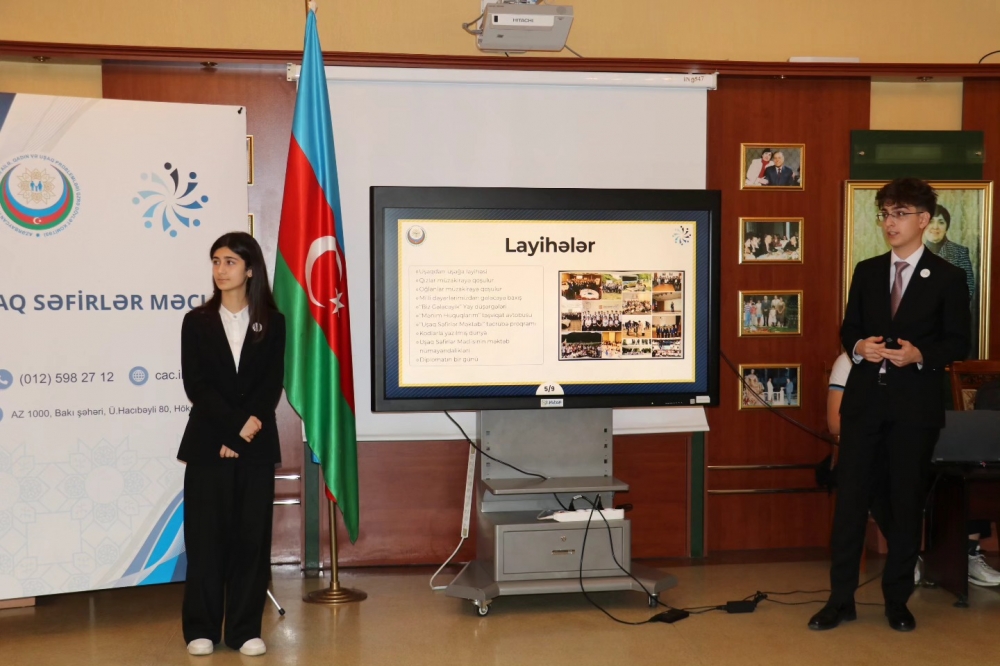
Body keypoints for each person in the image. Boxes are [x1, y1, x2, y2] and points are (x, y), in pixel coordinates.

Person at [809, 178, 970, 633]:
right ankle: (840, 600)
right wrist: (860, 346)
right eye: (884, 214)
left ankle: (897, 601)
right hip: (863, 406)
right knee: (850, 504)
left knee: (904, 504)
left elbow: (958, 341)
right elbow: (849, 329)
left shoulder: (948, 277)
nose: (890, 223)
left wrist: (920, 355)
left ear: (924, 220)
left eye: (899, 214)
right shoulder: (867, 270)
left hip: (913, 411)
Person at [177, 232, 286, 657]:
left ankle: (244, 630)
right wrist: (231, 432)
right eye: (216, 261)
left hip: (255, 446)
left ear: (250, 269)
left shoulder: (272, 322)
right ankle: (201, 628)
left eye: (229, 262)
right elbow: (197, 385)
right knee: (205, 540)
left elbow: (270, 383)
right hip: (209, 446)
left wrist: (244, 433)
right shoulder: (197, 321)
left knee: (251, 540)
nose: (220, 270)